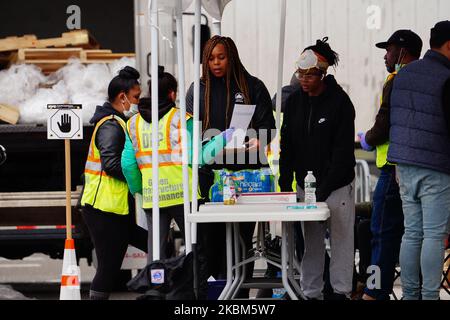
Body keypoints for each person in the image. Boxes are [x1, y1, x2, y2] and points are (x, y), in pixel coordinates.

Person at [186, 35, 276, 298]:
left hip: (244, 177)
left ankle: (238, 298)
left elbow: (268, 128)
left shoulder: (252, 86)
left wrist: (259, 142)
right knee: (209, 245)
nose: (216, 63)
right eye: (211, 58)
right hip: (210, 180)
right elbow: (192, 134)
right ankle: (211, 296)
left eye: (221, 57)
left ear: (232, 57)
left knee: (240, 243)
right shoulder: (197, 89)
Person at [121, 66, 233, 261]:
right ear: (172, 94)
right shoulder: (181, 119)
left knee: (155, 251)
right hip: (184, 195)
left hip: (152, 195)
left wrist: (140, 188)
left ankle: (156, 288)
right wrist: (223, 138)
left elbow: (128, 164)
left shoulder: (133, 123)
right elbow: (199, 158)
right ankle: (191, 289)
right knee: (194, 250)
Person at [279, 37, 356, 300]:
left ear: (322, 74)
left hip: (337, 186)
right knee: (310, 242)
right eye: (300, 74)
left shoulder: (341, 103)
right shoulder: (294, 103)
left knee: (342, 242)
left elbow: (343, 153)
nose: (303, 79)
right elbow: (286, 144)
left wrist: (324, 188)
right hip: (306, 186)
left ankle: (341, 292)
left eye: (309, 75)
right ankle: (311, 292)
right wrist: (284, 180)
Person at [358, 30, 423, 300]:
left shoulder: (396, 80)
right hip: (416, 168)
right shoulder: (425, 79)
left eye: (389, 49)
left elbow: (384, 123)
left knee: (380, 232)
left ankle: (374, 291)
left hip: (391, 168)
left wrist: (367, 139)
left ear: (402, 52)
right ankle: (413, 290)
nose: (385, 55)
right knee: (413, 233)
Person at [388, 20, 450, 300]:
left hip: (404, 164)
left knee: (412, 233)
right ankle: (430, 296)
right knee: (434, 236)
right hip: (436, 165)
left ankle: (410, 295)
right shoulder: (446, 77)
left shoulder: (403, 75)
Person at [80, 66, 148, 300]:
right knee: (109, 268)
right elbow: (110, 164)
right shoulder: (110, 124)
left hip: (114, 209)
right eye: (136, 97)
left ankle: (162, 283)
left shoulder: (115, 122)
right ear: (122, 98)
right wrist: (140, 179)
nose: (138, 102)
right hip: (103, 209)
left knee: (153, 244)